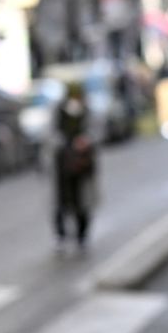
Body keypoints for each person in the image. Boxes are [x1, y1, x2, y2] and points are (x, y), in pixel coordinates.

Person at [53, 81, 97, 254]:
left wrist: (86, 141)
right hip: (61, 166)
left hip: (83, 165)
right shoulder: (58, 111)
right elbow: (51, 133)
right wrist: (64, 145)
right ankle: (61, 236)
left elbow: (95, 130)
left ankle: (82, 235)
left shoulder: (87, 111)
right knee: (61, 201)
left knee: (82, 201)